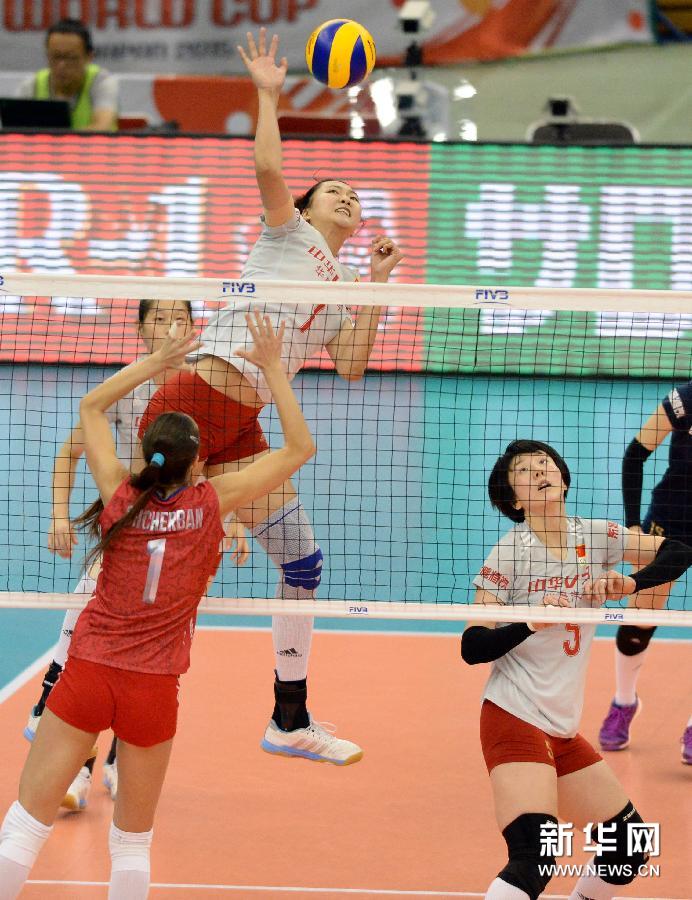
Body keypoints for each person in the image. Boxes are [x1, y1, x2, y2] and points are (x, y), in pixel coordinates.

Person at [138, 28, 403, 765]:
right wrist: (266, 94)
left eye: (356, 195)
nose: (347, 196)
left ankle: (290, 718)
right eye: (334, 191)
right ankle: (86, 710)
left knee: (302, 563)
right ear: (308, 208)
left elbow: (352, 365)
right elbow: (266, 166)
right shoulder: (288, 237)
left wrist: (378, 287)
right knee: (149, 560)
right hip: (194, 404)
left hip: (248, 423)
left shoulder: (346, 286)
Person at [0, 312, 315, 900]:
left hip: (89, 672)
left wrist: (157, 363)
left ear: (148, 453)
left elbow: (91, 408)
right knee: (132, 844)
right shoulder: (214, 501)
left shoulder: (118, 493)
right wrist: (274, 370)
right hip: (152, 690)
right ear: (200, 462)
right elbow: (300, 447)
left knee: (24, 826)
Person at [25, 299, 249, 812]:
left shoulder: (206, 388)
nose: (171, 326)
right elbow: (71, 451)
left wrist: (230, 520)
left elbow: (217, 470)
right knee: (82, 637)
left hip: (178, 538)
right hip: (125, 533)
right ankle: (76, 763)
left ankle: (116, 762)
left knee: (149, 655)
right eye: (160, 318)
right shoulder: (125, 388)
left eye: (181, 318)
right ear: (141, 327)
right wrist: (58, 515)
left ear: (194, 327)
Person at [461, 439, 692, 900]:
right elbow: (472, 646)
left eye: (544, 463)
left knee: (629, 846)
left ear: (564, 480)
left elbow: (679, 551)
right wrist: (530, 622)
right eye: (523, 470)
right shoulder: (509, 554)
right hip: (513, 714)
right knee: (534, 856)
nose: (538, 471)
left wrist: (631, 581)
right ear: (514, 500)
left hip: (561, 728)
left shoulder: (598, 536)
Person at [598, 383, 692, 764]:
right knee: (639, 617)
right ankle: (624, 701)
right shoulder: (686, 399)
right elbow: (635, 455)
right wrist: (633, 526)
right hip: (669, 523)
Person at [17, 18, 118, 131]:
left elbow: (103, 127)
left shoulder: (101, 82)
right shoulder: (33, 84)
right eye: (56, 57)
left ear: (89, 57)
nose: (61, 65)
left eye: (70, 58)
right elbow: (16, 130)